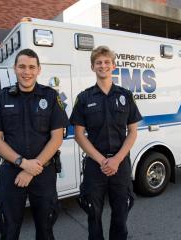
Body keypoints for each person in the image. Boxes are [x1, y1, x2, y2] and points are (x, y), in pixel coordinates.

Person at [0, 48, 69, 240]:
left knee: (46, 230)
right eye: (22, 66)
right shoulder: (2, 98)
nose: (27, 72)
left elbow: (57, 138)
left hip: (43, 173)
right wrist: (24, 164)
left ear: (39, 70)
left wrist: (32, 169)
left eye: (32, 67)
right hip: (12, 172)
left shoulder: (50, 97)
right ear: (15, 69)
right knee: (8, 230)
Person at [70, 46, 142, 240]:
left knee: (121, 214)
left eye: (107, 62)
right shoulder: (84, 98)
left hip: (121, 166)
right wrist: (103, 161)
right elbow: (78, 134)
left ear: (114, 66)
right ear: (93, 67)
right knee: (93, 214)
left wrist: (117, 159)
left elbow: (133, 132)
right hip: (95, 166)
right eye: (99, 62)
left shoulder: (125, 96)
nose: (103, 66)